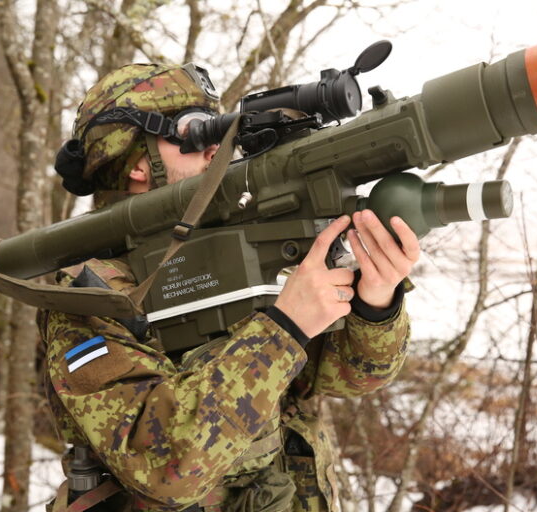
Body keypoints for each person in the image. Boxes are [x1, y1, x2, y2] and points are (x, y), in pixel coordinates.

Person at [40, 62, 420, 512]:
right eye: (191, 132)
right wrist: (285, 328)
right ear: (137, 163)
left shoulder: (231, 245)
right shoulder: (87, 296)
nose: (215, 147)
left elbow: (347, 378)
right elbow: (164, 466)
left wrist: (376, 304)